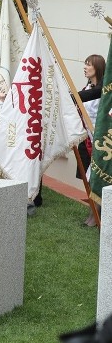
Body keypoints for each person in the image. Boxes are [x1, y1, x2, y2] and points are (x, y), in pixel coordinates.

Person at [78, 53, 104, 227]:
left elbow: (88, 97)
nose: (85, 67)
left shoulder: (102, 90)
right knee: (88, 177)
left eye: (89, 64)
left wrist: (70, 96)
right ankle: (92, 213)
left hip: (99, 139)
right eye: (85, 63)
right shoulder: (87, 88)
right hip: (86, 137)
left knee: (95, 176)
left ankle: (98, 215)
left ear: (98, 68)